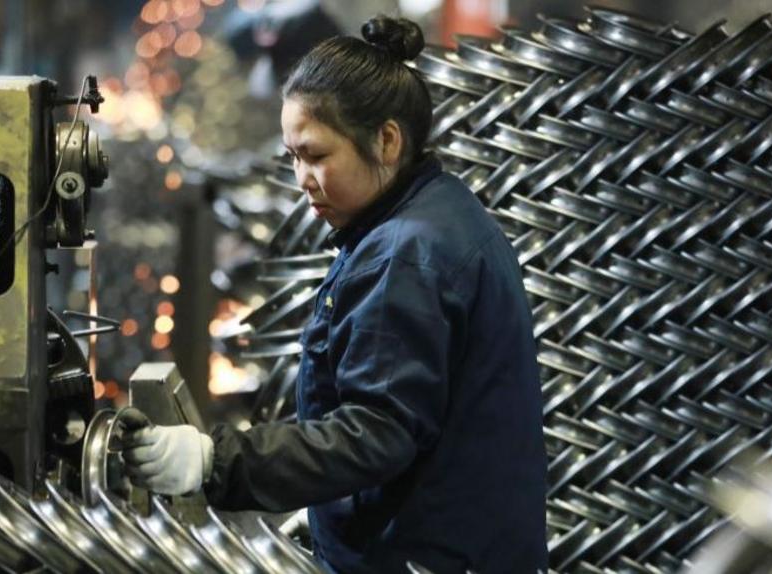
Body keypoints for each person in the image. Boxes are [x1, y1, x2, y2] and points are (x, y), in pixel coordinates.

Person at [122, 15, 548, 574]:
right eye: (293, 157)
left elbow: (376, 432)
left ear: (386, 140)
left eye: (317, 155)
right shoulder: (430, 215)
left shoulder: (406, 254)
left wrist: (213, 460)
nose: (301, 177)